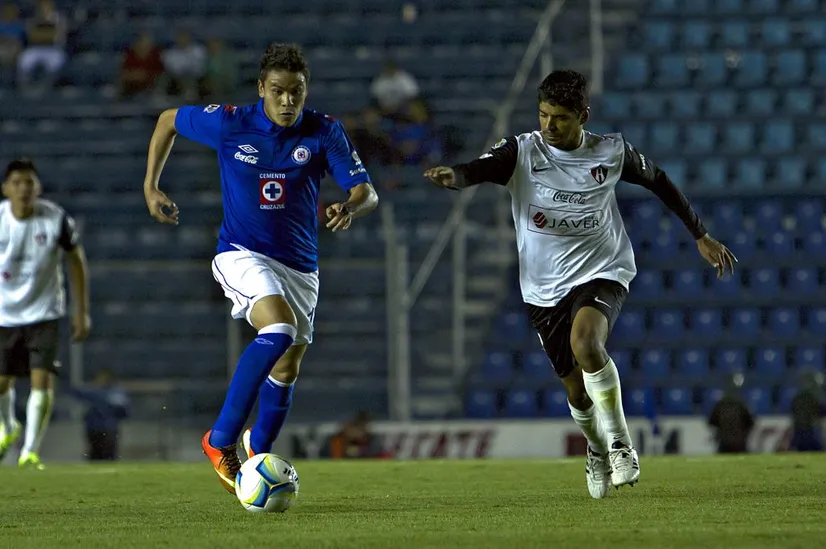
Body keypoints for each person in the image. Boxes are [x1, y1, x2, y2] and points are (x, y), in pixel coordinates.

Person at [425, 70, 736, 499]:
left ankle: (622, 445)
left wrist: (700, 233)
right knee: (575, 387)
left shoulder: (610, 152)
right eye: (543, 115)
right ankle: (595, 448)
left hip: (602, 269)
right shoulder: (522, 151)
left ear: (583, 116)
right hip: (541, 287)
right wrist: (455, 177)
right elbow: (480, 168)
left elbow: (659, 180)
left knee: (587, 343)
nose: (548, 126)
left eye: (560, 118)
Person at [142, 43, 378, 493]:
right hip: (241, 253)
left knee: (287, 368)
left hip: (301, 268)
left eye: (297, 92)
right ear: (261, 89)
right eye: (278, 92)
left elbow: (367, 192)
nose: (288, 102)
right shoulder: (231, 122)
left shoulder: (324, 131)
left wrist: (351, 205)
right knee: (278, 331)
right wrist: (151, 187)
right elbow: (168, 120)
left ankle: (258, 454)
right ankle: (220, 440)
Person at [0, 158, 91, 469]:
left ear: (37, 187)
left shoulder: (54, 218)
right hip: (3, 314)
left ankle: (29, 452)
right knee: (2, 383)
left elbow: (76, 259)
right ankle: (9, 428)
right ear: (5, 189)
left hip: (44, 312)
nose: (23, 188)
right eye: (16, 182)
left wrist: (82, 311)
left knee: (42, 380)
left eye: (29, 182)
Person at [70, 368, 130, 461]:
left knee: (105, 453)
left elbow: (124, 411)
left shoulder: (102, 393)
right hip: (98, 428)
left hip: (106, 428)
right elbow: (125, 412)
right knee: (97, 453)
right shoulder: (117, 393)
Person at [708, 373, 754, 454]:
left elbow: (711, 422)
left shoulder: (720, 405)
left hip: (724, 443)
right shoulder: (741, 404)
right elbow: (750, 423)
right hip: (740, 443)